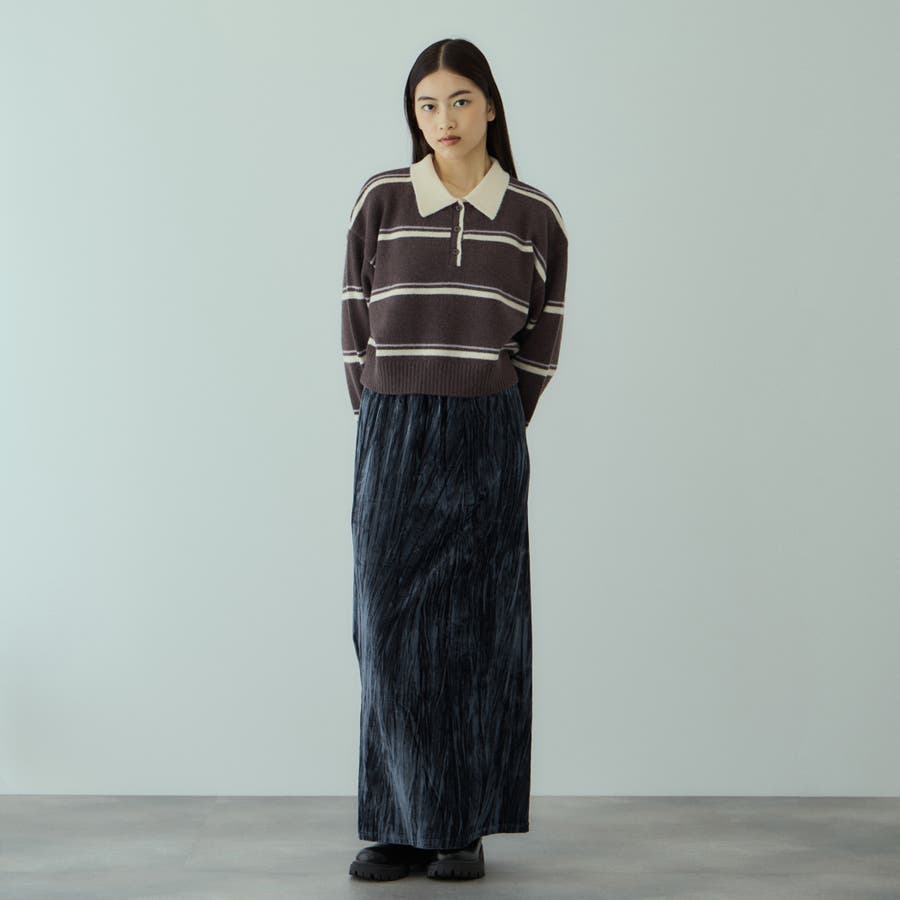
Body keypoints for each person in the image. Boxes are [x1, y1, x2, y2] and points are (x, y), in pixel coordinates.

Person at [342, 37, 568, 882]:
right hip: (393, 429)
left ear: (492, 106)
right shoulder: (383, 200)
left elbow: (541, 340)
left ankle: (460, 827)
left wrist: (497, 418)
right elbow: (354, 321)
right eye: (428, 104)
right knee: (386, 628)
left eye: (461, 100)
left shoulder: (534, 217)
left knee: (476, 630)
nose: (445, 119)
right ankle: (399, 823)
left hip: (486, 429)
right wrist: (382, 418)